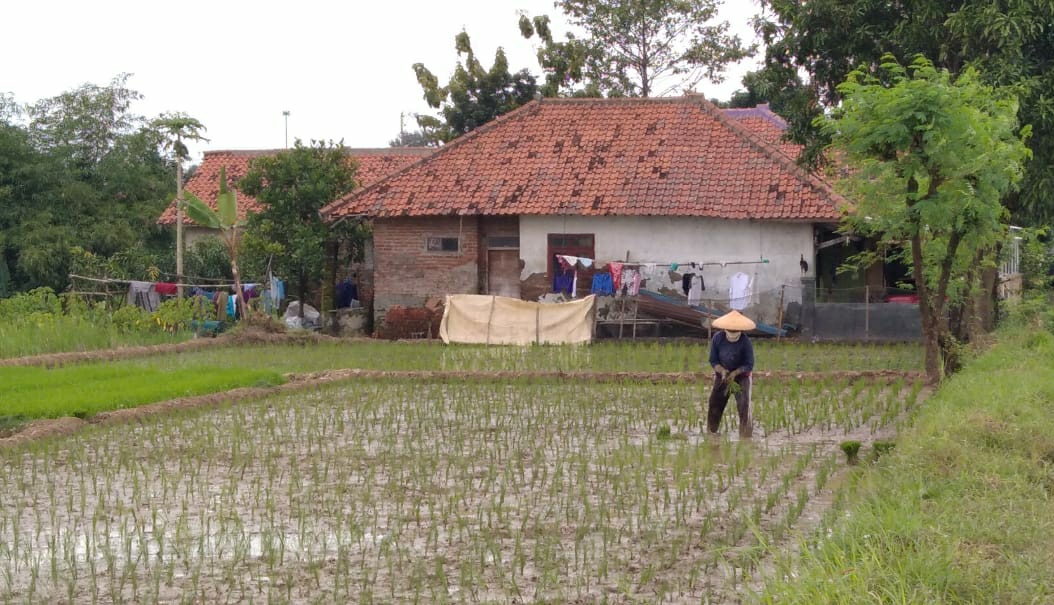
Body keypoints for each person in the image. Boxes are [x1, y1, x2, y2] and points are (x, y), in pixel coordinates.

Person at [707, 310, 756, 438]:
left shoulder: (745, 342)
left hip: (741, 378)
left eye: (735, 332)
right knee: (715, 404)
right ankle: (712, 432)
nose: (733, 334)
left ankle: (745, 437)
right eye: (730, 331)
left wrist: (736, 372)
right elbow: (713, 360)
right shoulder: (717, 339)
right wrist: (723, 371)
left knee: (744, 406)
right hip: (722, 377)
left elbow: (749, 364)